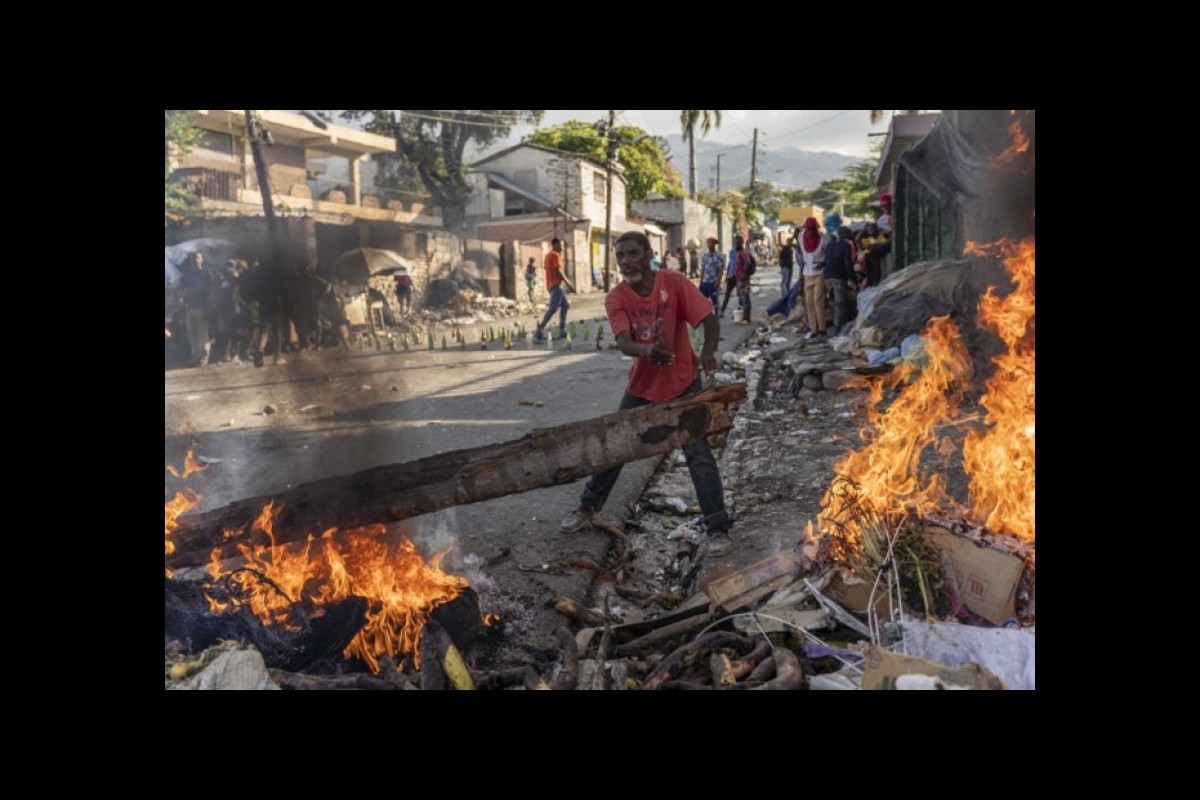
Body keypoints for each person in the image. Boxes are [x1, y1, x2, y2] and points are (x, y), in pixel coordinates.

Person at [558, 231, 734, 555]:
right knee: (616, 447)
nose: (626, 262)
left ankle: (718, 527)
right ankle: (588, 507)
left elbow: (709, 319)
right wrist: (646, 351)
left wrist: (708, 352)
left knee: (697, 454)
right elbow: (623, 342)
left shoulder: (674, 282)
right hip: (642, 387)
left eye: (632, 254)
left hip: (683, 382)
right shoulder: (617, 297)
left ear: (650, 254)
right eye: (620, 256)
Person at [798, 217, 831, 337]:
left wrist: (824, 263)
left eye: (812, 229)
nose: (810, 231)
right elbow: (801, 256)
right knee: (809, 302)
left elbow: (829, 255)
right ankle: (813, 329)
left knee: (818, 299)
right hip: (807, 272)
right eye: (808, 229)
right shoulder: (801, 237)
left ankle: (822, 328)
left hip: (820, 272)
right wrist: (800, 277)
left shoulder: (824, 239)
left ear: (816, 228)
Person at [537, 237, 574, 338]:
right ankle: (540, 328)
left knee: (565, 306)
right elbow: (558, 271)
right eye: (560, 245)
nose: (562, 247)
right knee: (553, 308)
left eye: (562, 245)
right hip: (557, 286)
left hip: (552, 285)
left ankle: (561, 330)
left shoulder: (548, 255)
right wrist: (569, 283)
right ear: (555, 245)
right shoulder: (555, 255)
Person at [824, 226, 856, 335]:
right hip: (838, 277)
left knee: (833, 302)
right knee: (840, 304)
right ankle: (837, 330)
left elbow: (826, 260)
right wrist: (852, 279)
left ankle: (833, 325)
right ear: (847, 234)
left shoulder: (830, 245)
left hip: (828, 277)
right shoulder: (847, 245)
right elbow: (848, 263)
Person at [719, 235, 752, 319]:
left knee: (742, 295)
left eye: (739, 242)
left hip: (740, 278)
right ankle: (722, 311)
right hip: (731, 276)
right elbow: (731, 263)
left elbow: (747, 264)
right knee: (727, 294)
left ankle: (740, 314)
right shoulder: (732, 251)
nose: (737, 243)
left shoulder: (744, 252)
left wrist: (743, 275)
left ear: (742, 242)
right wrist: (727, 275)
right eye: (736, 242)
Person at [698, 236, 725, 310]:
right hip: (705, 282)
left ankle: (716, 316)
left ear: (714, 244)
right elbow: (703, 269)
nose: (709, 245)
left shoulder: (719, 256)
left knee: (714, 301)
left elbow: (721, 269)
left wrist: (718, 281)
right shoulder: (704, 256)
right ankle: (705, 317)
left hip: (713, 282)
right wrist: (701, 282)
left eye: (711, 243)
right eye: (708, 243)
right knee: (703, 301)